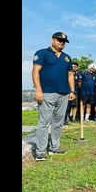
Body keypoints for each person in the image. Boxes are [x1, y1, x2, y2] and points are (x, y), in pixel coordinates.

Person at [32, 31, 75, 161]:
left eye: (63, 42)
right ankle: (40, 152)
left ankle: (54, 148)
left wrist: (72, 91)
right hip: (47, 93)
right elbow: (35, 72)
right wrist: (38, 90)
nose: (61, 43)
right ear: (52, 40)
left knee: (58, 123)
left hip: (63, 94)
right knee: (44, 123)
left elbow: (70, 75)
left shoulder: (67, 58)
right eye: (59, 40)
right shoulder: (42, 53)